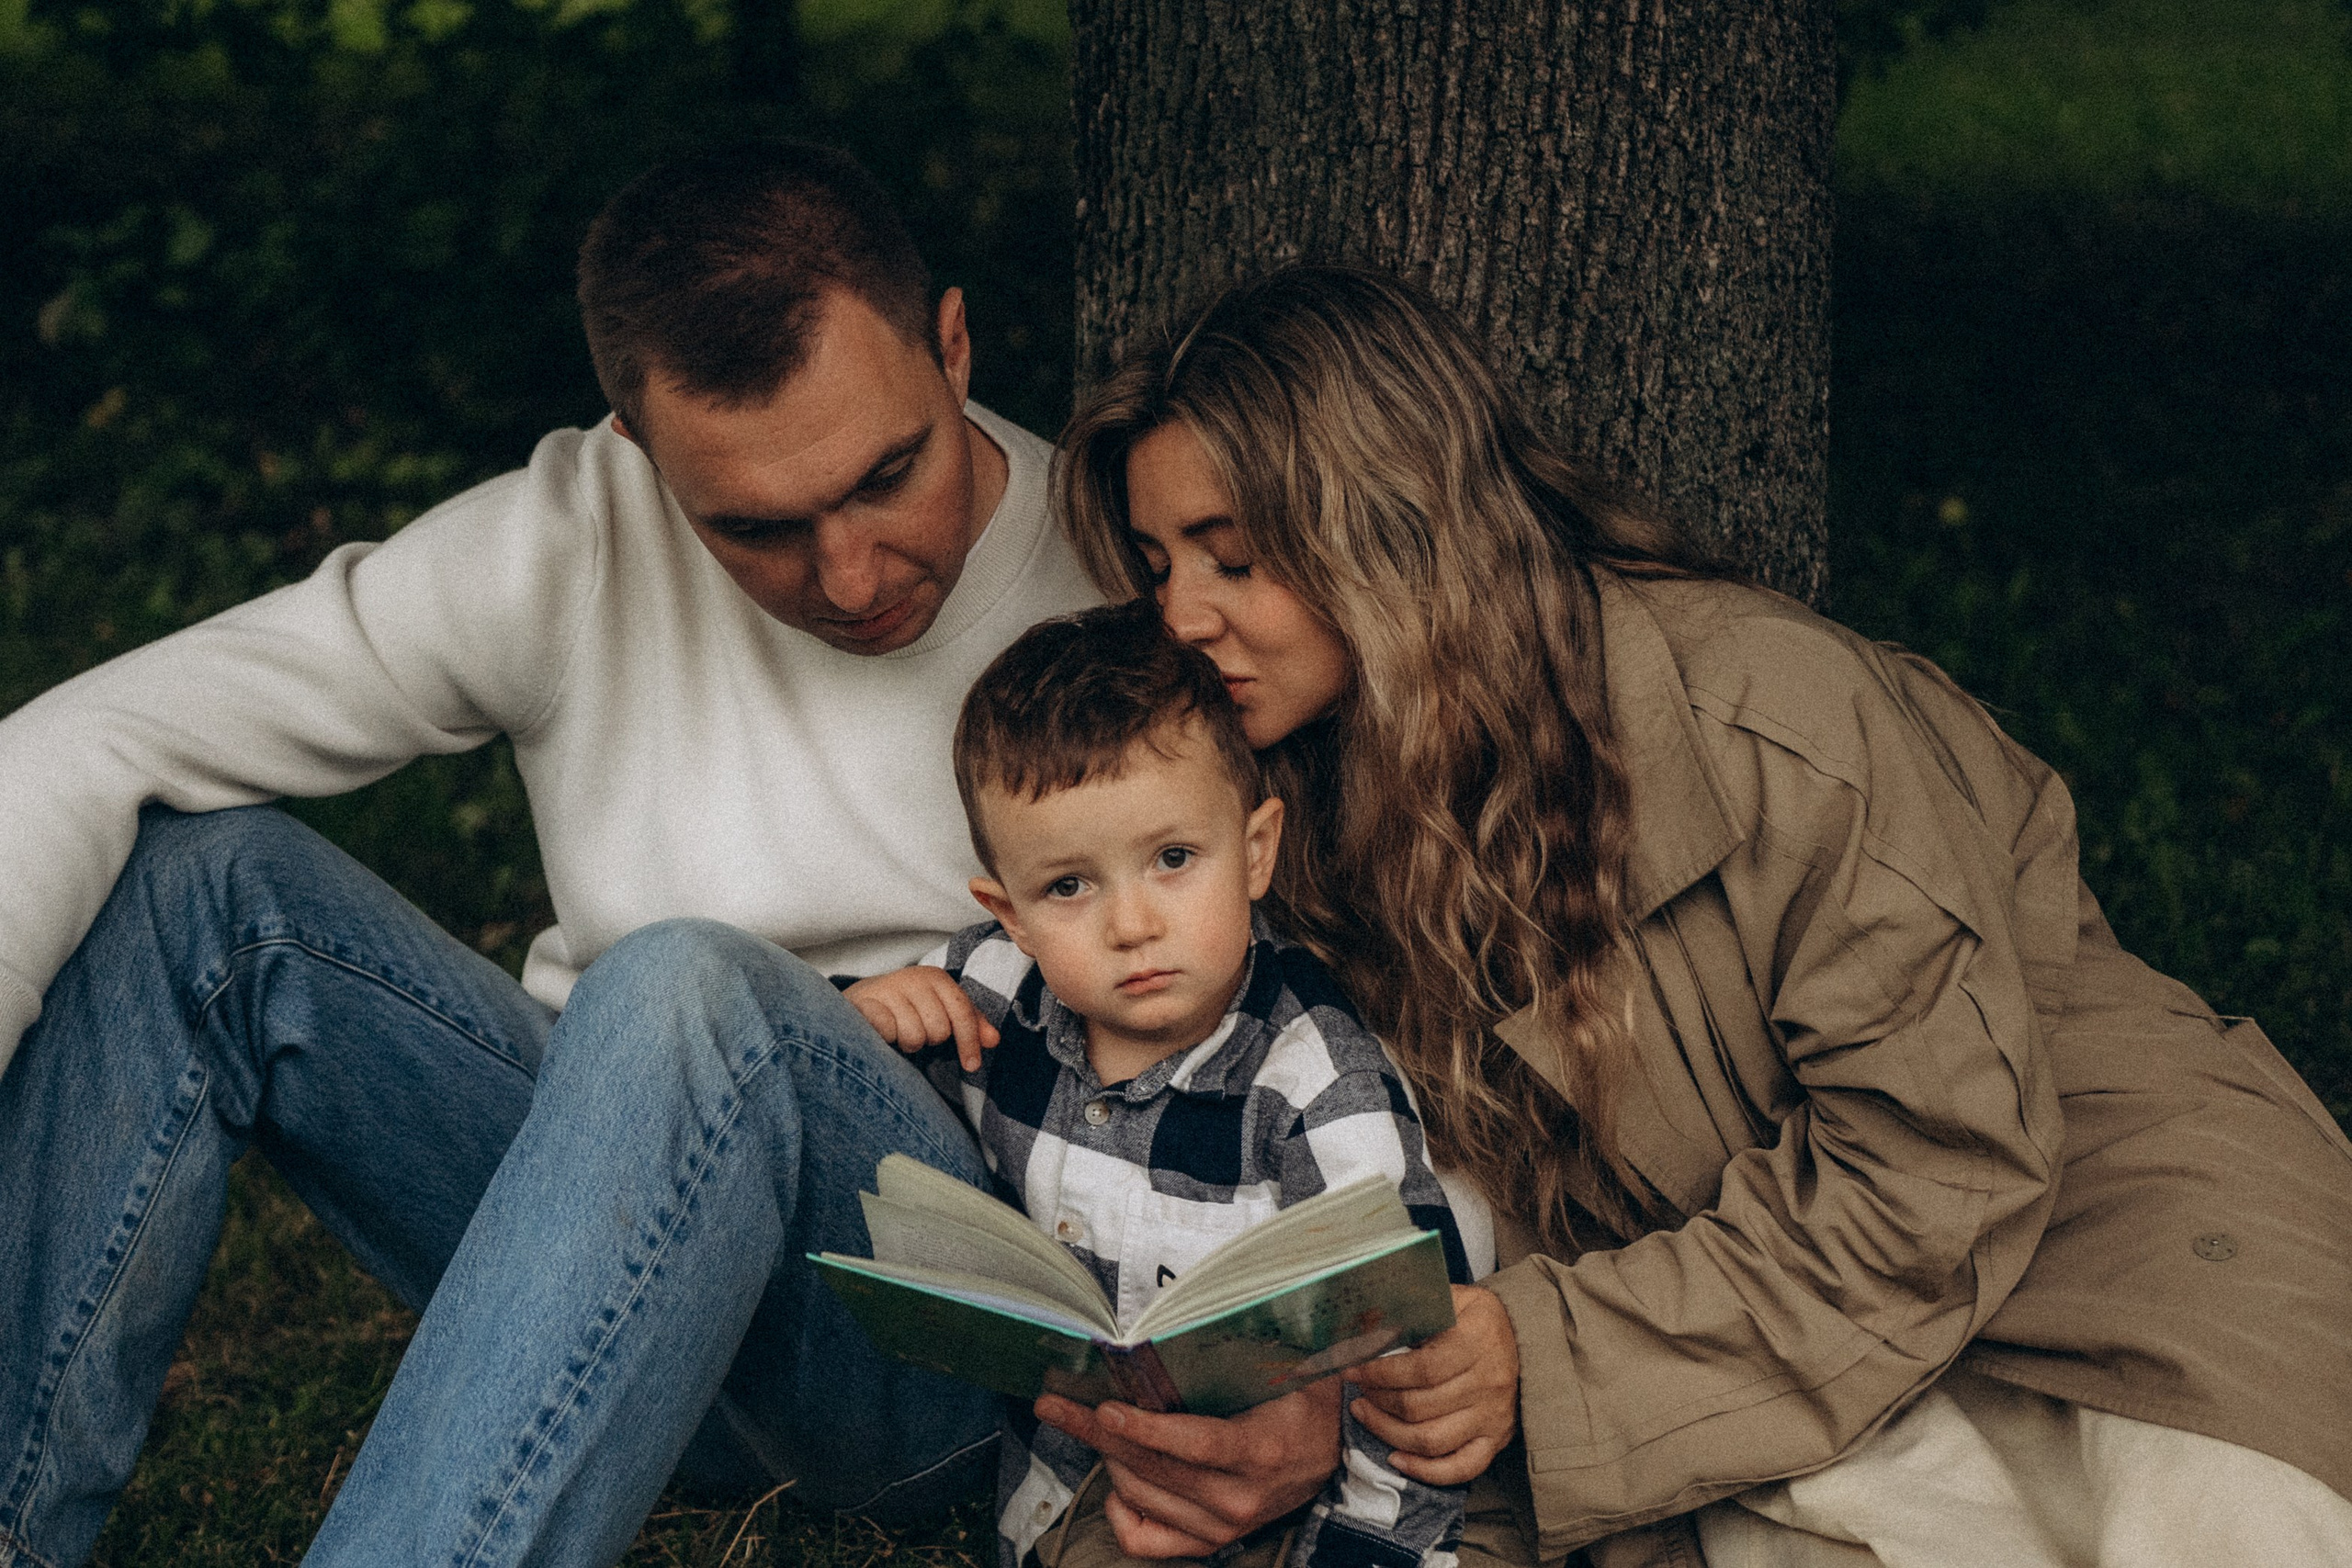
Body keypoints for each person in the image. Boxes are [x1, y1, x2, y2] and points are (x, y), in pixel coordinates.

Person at [1044, 265, 2352, 1568]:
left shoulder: (1769, 716)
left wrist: (1538, 1357)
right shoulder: (1263, 816)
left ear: (1393, 525)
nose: (1182, 616)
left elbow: (1938, 1168)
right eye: (1158, 567)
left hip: (2108, 1261)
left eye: (1236, 557)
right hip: (1751, 1345)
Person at [0, 139, 1130, 1567]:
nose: (850, 575)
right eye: (756, 527)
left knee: (685, 987)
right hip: (592, 1275)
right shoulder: (577, 536)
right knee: (203, 890)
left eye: (887, 475)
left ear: (954, 347)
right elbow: (98, 737)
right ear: (640, 449)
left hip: (925, 1359)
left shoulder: (1123, 572)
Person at [844, 601, 1474, 1568]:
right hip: (1060, 1492)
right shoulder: (991, 991)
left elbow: (1413, 1364)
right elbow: (826, 1109)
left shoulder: (1317, 1087)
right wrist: (864, 1014)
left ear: (1255, 851)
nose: (1131, 926)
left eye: (1173, 859)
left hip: (1267, 1519)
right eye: (1068, 886)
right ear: (1008, 913)